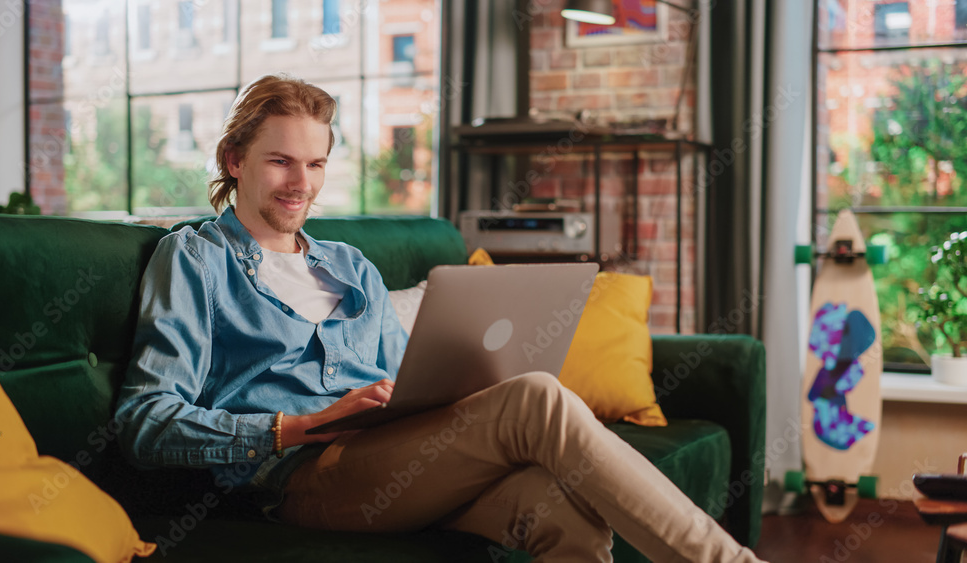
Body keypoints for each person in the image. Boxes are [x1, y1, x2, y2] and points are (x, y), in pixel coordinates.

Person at [116, 73, 767, 563]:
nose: (301, 183)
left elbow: (410, 376)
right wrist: (292, 426)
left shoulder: (350, 266)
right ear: (235, 161)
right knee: (537, 399)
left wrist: (450, 391)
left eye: (315, 163)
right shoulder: (196, 258)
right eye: (280, 161)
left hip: (396, 458)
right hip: (298, 479)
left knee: (554, 508)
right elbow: (144, 424)